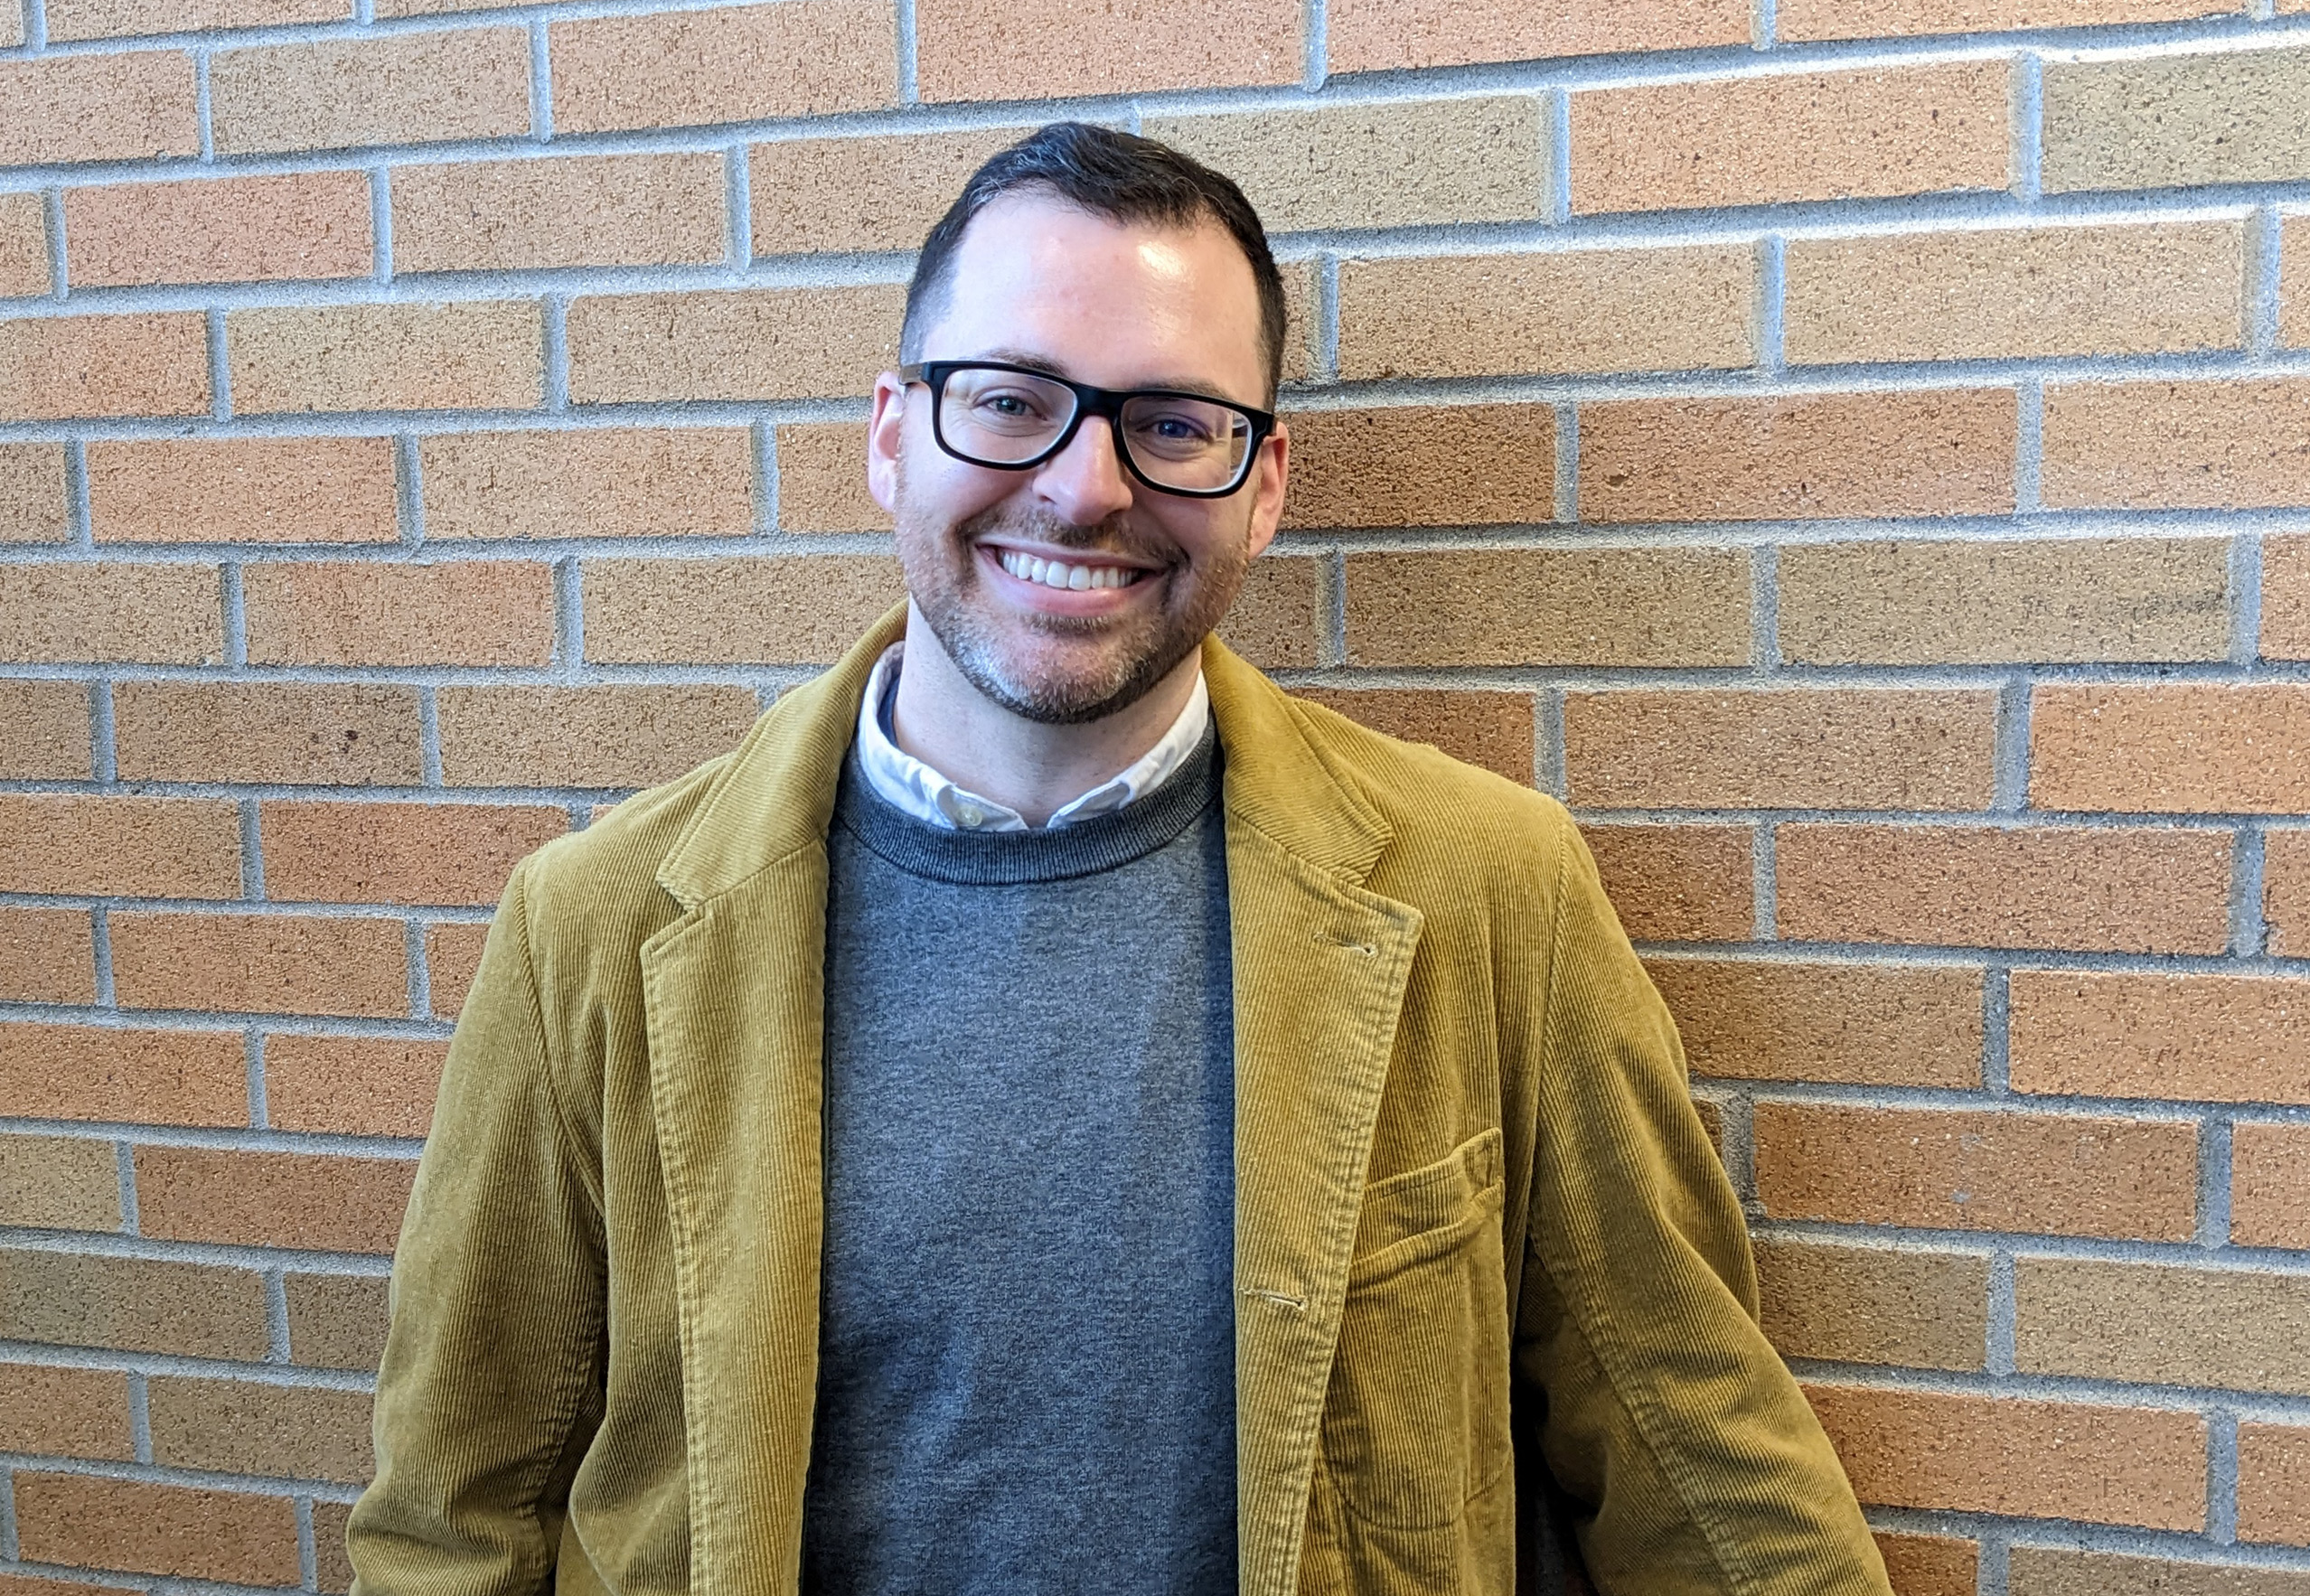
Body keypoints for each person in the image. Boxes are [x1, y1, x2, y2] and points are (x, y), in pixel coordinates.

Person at [348, 122, 1892, 1596]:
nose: (1086, 487)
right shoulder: (596, 932)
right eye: (1011, 399)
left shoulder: (1484, 892)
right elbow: (455, 1519)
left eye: (1171, 424)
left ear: (1264, 481)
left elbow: (1695, 1460)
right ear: (893, 436)